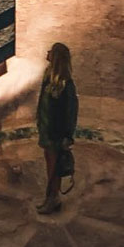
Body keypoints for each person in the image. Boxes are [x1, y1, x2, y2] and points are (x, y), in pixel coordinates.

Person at [36, 42, 78, 214]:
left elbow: (70, 113)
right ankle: (51, 197)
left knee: (54, 169)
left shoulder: (65, 85)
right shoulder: (49, 77)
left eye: (51, 52)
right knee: (50, 164)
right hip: (47, 131)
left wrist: (67, 136)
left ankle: (53, 198)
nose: (47, 53)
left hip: (56, 135)